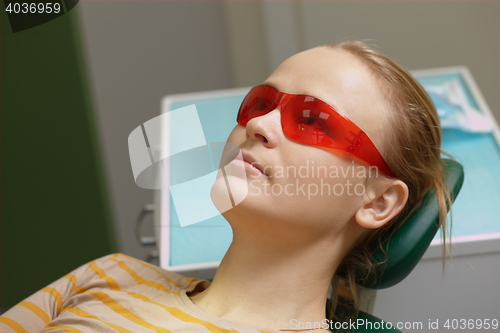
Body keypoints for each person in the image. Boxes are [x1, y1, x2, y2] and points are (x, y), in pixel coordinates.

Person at [0, 41, 451, 333]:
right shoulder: (112, 274)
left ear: (377, 202)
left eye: (313, 121)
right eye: (261, 102)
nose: (258, 123)